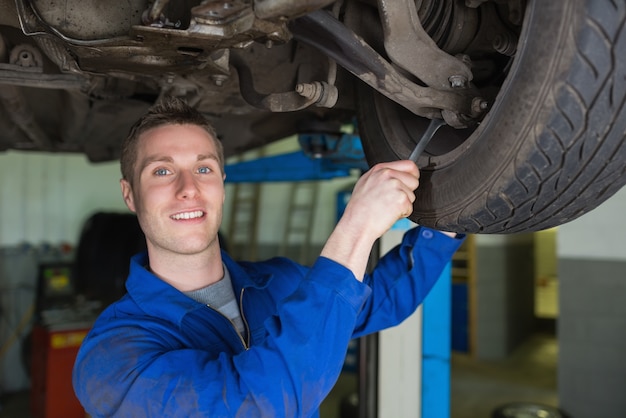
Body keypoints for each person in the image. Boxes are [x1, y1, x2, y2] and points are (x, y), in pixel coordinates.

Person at [72, 98, 464, 417]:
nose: (188, 188)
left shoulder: (278, 283)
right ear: (129, 194)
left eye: (203, 168)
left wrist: (455, 210)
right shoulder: (113, 358)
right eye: (161, 171)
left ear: (221, 185)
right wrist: (356, 228)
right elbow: (260, 404)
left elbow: (377, 301)